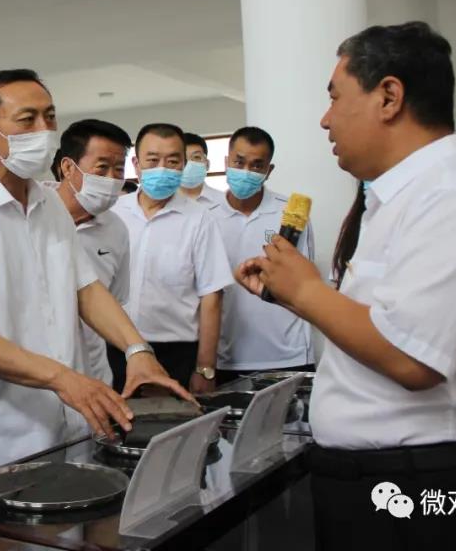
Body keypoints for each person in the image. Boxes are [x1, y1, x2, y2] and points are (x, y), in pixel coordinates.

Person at [235, 22, 456, 550]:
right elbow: (384, 324)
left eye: (335, 97)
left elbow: (412, 359)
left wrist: (308, 291)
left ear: (389, 97)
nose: (325, 119)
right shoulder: (406, 198)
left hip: (431, 488)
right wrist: (293, 293)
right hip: (389, 480)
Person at [0, 69, 191, 479]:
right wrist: (63, 378)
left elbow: (86, 288)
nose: (43, 131)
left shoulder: (49, 206)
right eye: (27, 120)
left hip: (71, 426)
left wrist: (138, 351)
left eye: (50, 117)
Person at [110, 124, 231, 392]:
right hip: (115, 347)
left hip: (176, 353)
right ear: (136, 165)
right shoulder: (113, 213)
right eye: (153, 160)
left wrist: (205, 368)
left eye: (173, 161)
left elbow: (212, 296)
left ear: (183, 165)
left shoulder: (200, 219)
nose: (162, 169)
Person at [206, 127, 316, 386]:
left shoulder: (289, 214)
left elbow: (305, 280)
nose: (246, 171)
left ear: (269, 170)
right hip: (226, 357)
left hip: (288, 354)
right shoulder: (206, 215)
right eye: (239, 162)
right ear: (226, 162)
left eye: (257, 165)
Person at [51, 119, 133, 386]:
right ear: (67, 167)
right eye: (102, 167)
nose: (111, 179)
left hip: (94, 375)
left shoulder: (116, 230)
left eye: (119, 169)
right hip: (38, 375)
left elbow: (112, 302)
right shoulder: (32, 214)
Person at [178, 132, 224, 206]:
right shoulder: (161, 203)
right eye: (183, 159)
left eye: (196, 157)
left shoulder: (224, 202)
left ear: (207, 164)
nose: (189, 165)